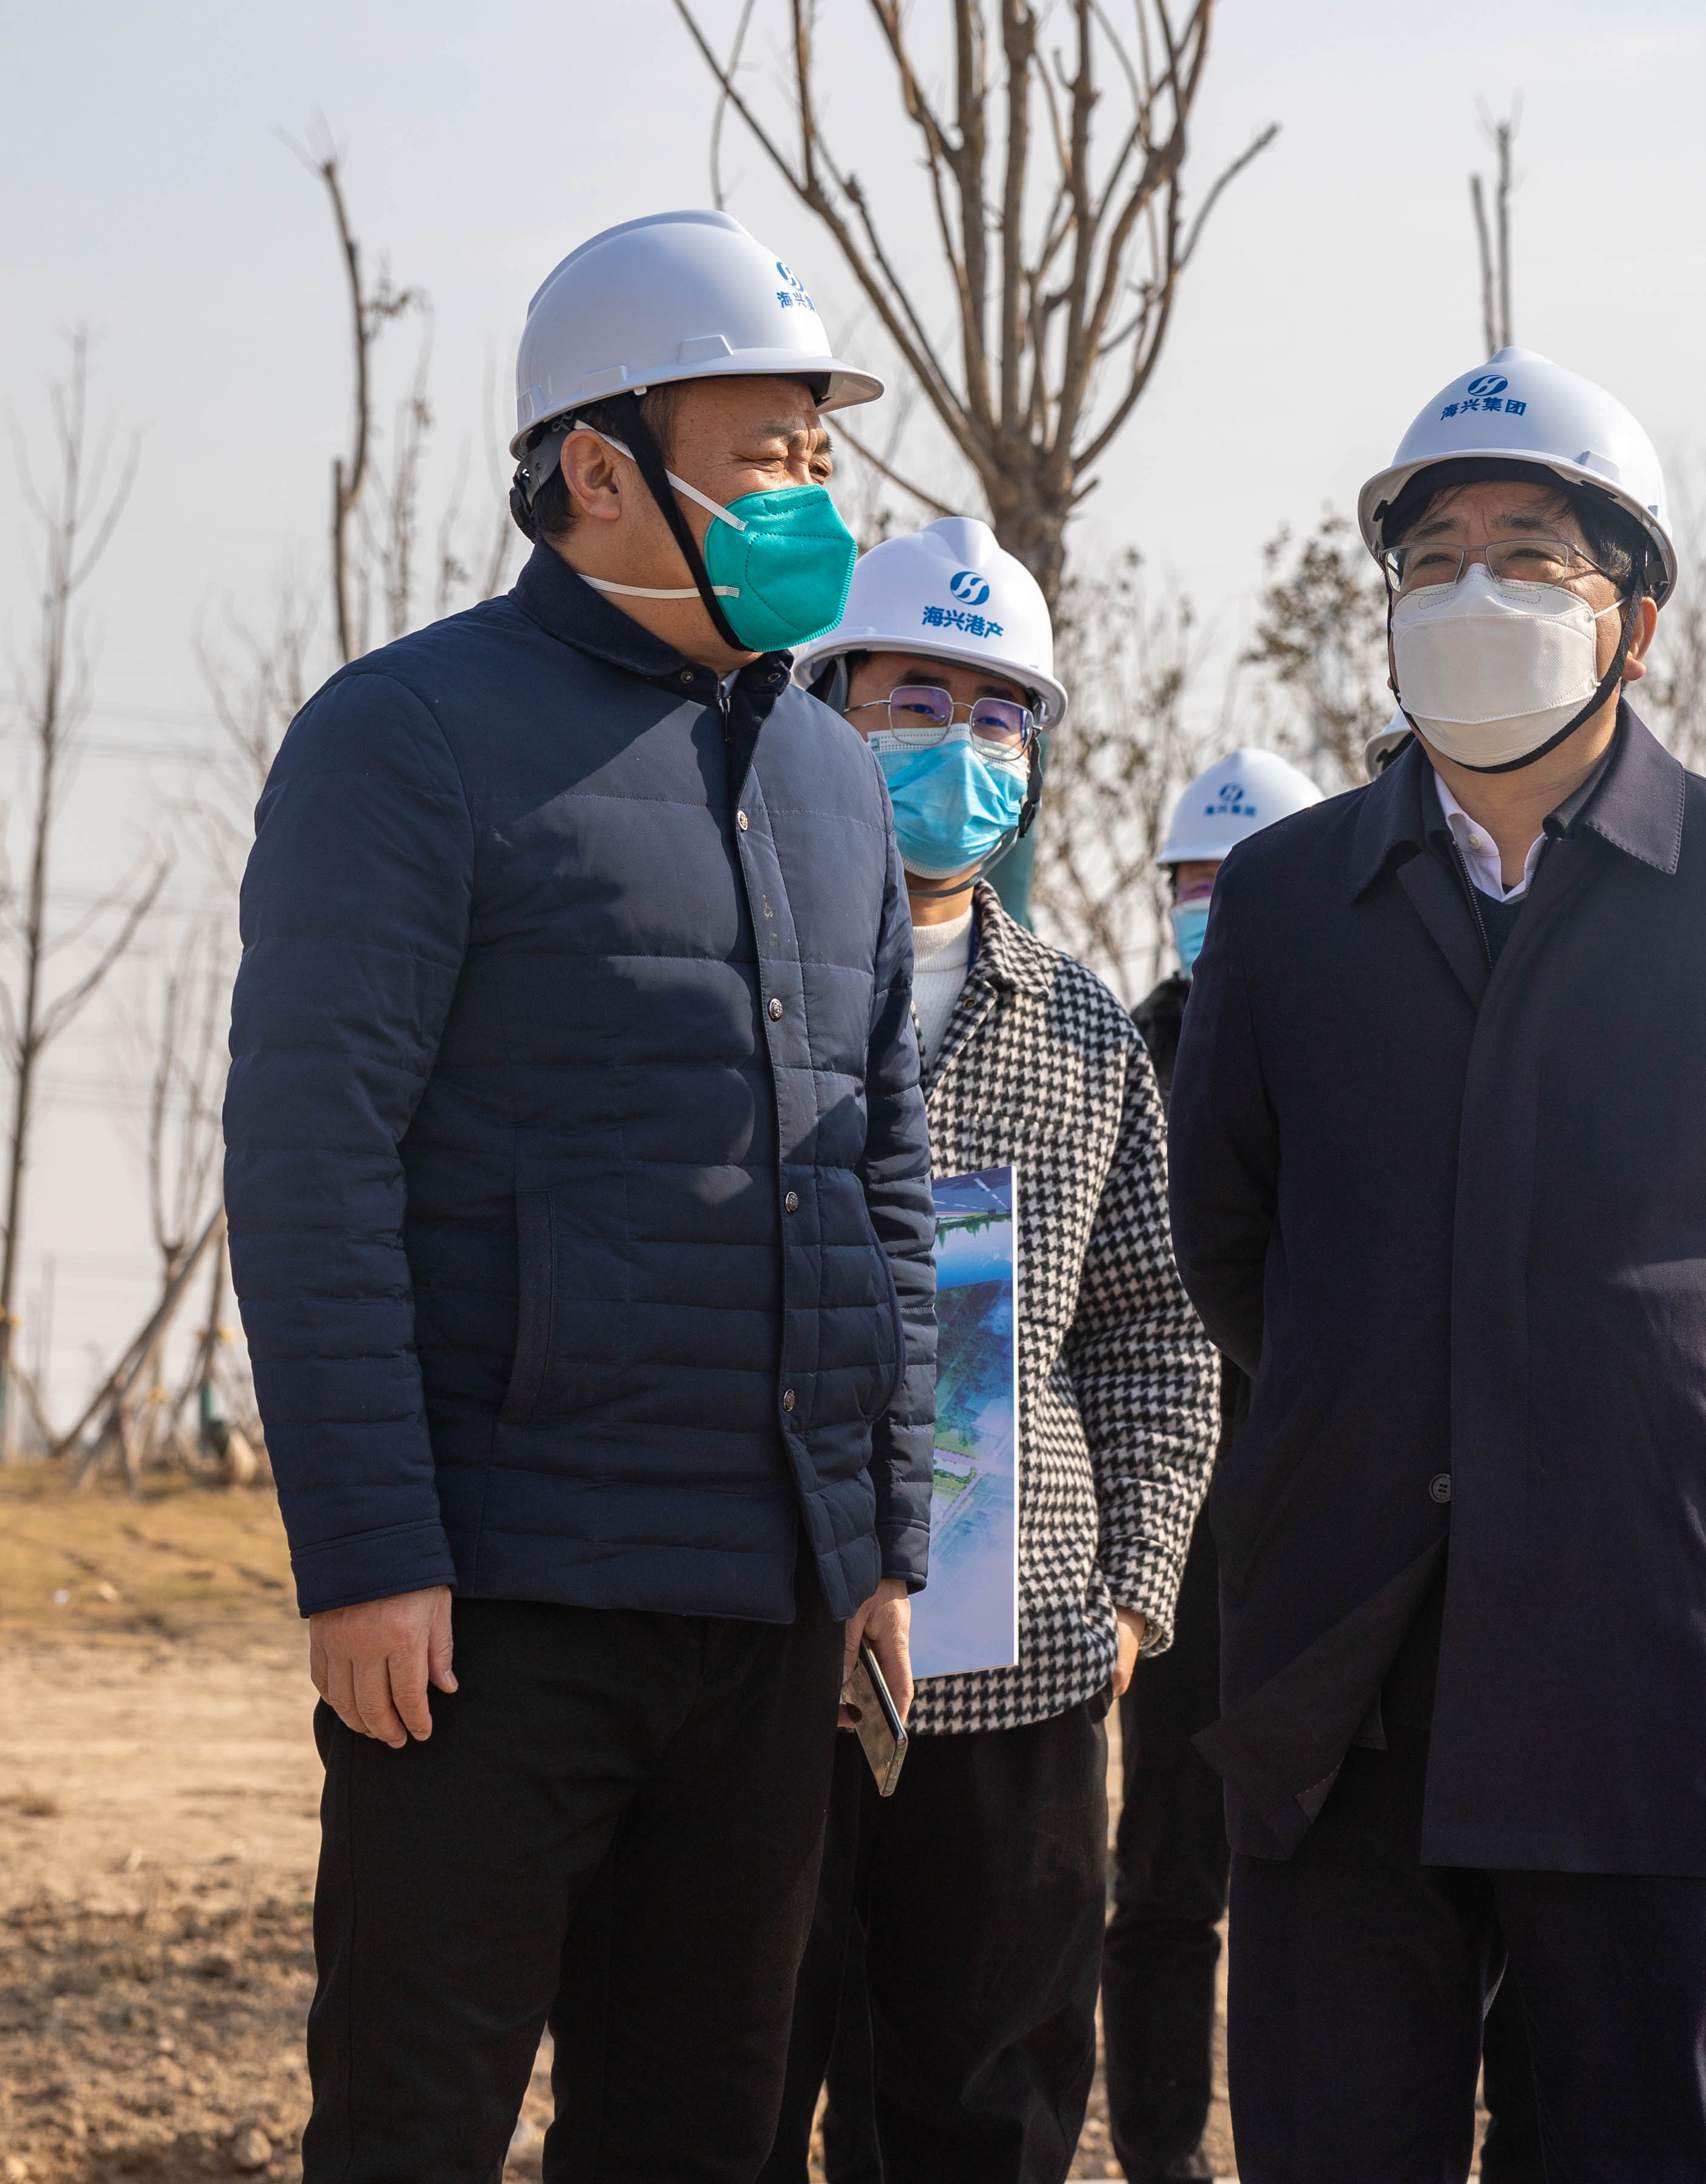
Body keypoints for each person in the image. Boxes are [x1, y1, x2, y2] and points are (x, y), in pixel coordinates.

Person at [1166, 345, 1706, 2183]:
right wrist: (1390, 1414)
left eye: (1531, 557)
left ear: (1638, 624)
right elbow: (1231, 1239)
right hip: (1349, 1672)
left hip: (1657, 1659)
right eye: (1434, 560)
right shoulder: (1284, 904)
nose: (1475, 596)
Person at [224, 209, 935, 2179]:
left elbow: (876, 1169)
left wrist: (881, 1535)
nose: (812, 501)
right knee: (417, 2119)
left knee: (702, 2129)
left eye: (821, 458)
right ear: (601, 470)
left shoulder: (828, 779)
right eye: (768, 456)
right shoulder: (408, 739)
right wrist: (366, 1549)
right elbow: (312, 1161)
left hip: (766, 1608)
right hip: (490, 1609)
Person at [765, 517, 1220, 2183]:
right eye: (915, 700)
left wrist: (1133, 1591)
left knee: (990, 2114)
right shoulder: (736, 981)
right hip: (762, 1661)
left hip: (1016, 1659)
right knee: (726, 2094)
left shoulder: (1086, 1028)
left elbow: (1155, 1332)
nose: (959, 743)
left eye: (997, 712)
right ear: (824, 710)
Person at [1108, 746, 1323, 2182]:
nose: (1213, 907)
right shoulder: (1122, 1057)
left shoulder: (1374, 1059)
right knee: (1169, 1877)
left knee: (1327, 1884)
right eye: (1193, 882)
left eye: (1240, 883)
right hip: (1178, 1545)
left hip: (1335, 1532)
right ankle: (1162, 2158)